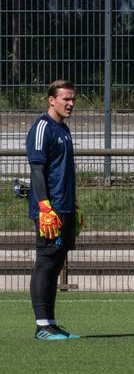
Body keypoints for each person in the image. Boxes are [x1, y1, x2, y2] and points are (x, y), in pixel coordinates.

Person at [26, 80, 81, 340]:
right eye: (66, 99)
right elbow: (37, 171)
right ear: (51, 100)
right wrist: (44, 207)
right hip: (49, 210)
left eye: (73, 99)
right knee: (45, 262)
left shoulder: (63, 129)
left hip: (64, 207)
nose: (71, 103)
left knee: (56, 263)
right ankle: (41, 326)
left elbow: (63, 172)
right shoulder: (42, 128)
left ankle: (51, 323)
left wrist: (74, 204)